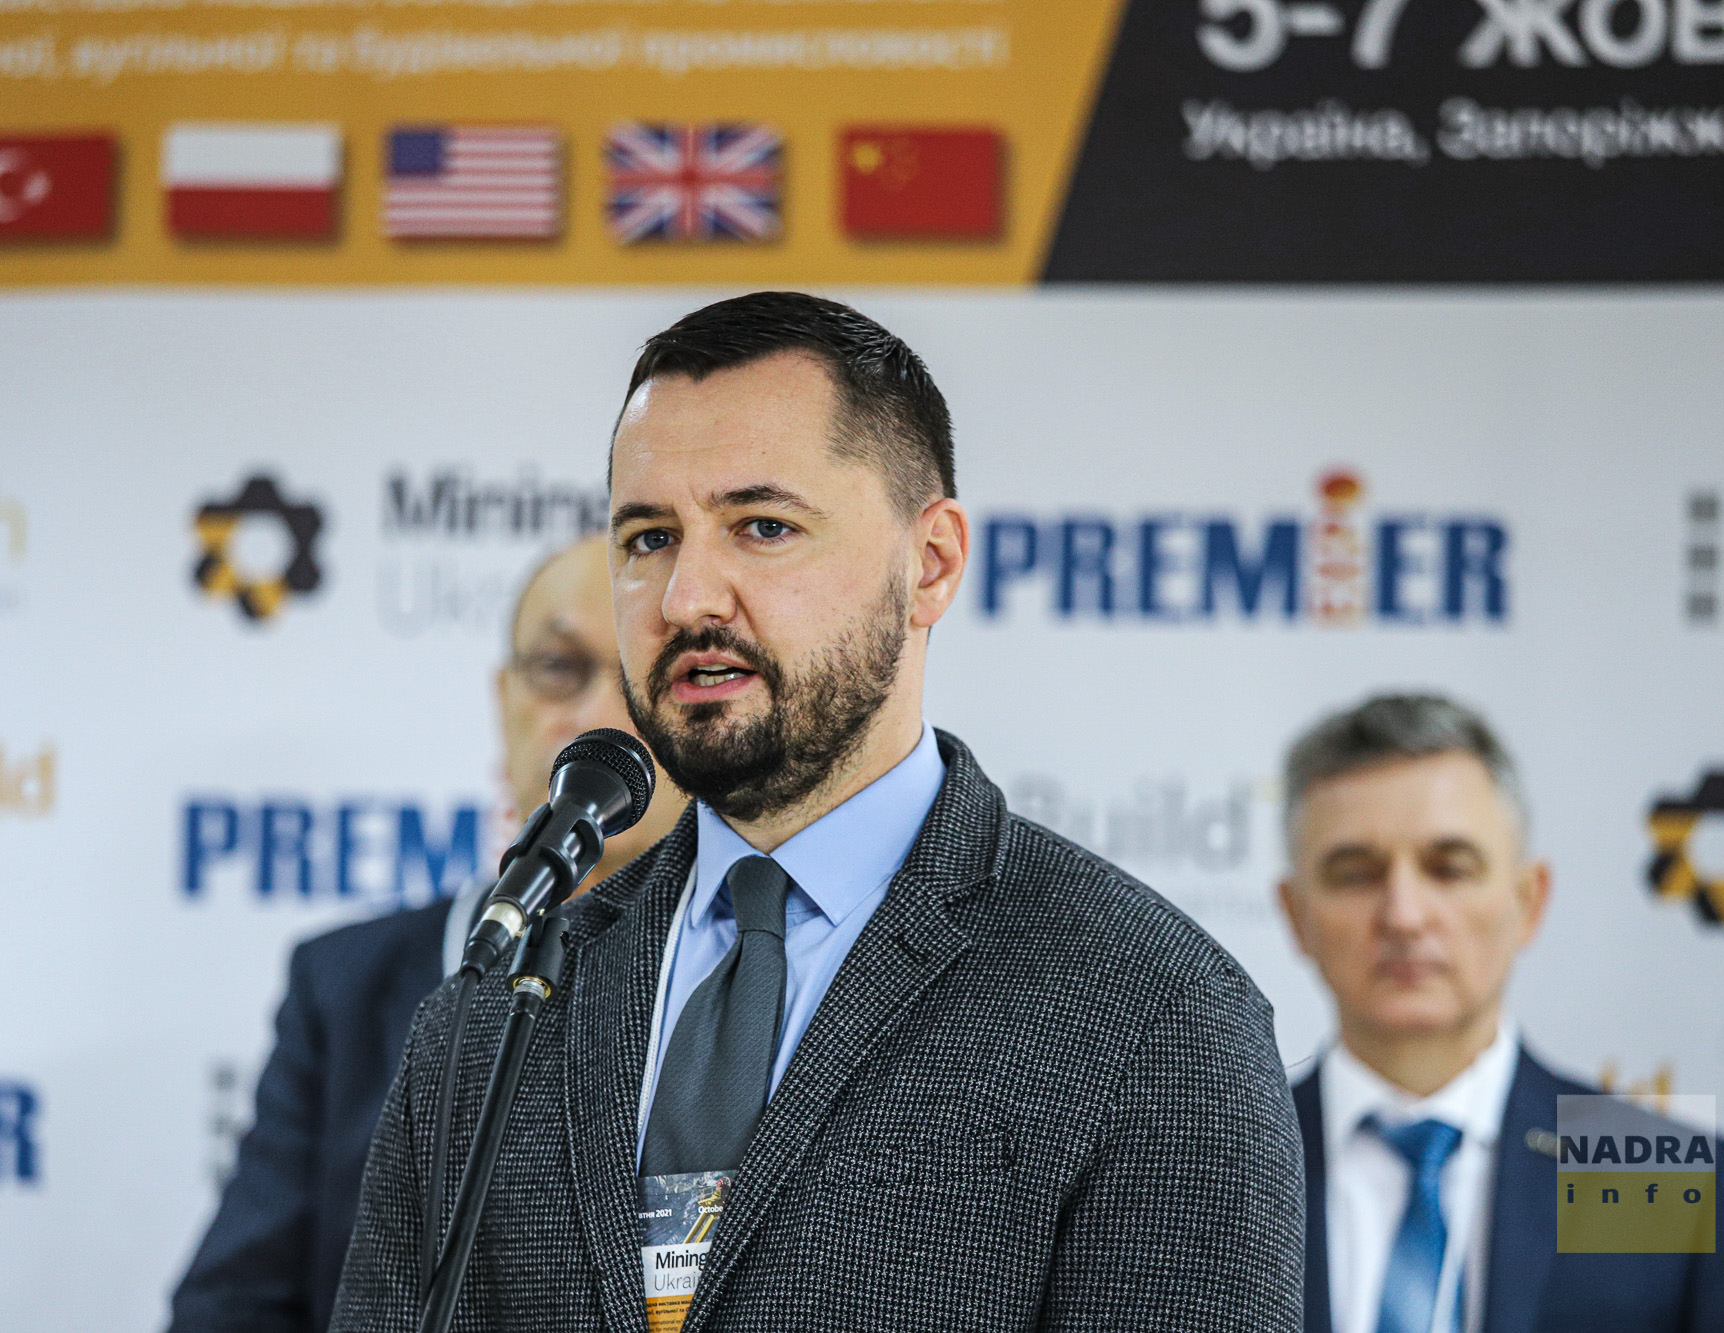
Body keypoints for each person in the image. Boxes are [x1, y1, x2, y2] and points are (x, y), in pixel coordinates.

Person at [329, 292, 1304, 1333]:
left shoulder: (1156, 1016)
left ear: (929, 564)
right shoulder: (492, 1014)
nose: (686, 598)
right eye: (649, 537)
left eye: (763, 527)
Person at [169, 534, 686, 1333]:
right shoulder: (346, 984)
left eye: (635, 678)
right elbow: (233, 1307)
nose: (592, 718)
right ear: (503, 698)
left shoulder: (760, 974)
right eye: (558, 667)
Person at [1277, 693, 1724, 1333]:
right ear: (1295, 914)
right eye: (1355, 874)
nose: (1403, 914)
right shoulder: (1219, 1167)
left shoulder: (1647, 1169)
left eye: (1449, 868)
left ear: (1529, 901)